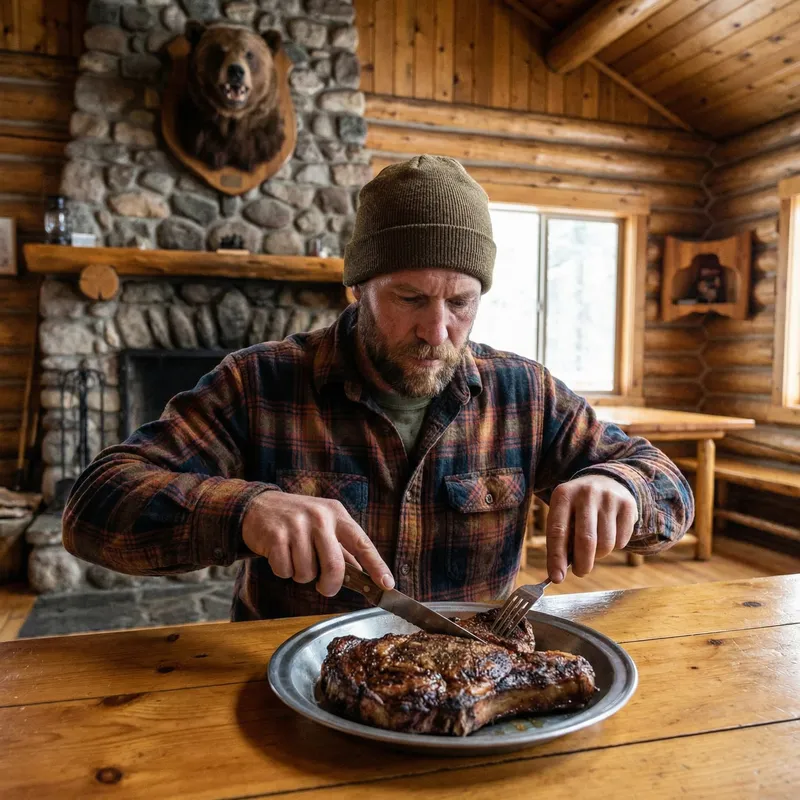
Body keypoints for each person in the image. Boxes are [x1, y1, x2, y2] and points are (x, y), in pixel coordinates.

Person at [63, 155, 694, 621]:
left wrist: (623, 487)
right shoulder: (260, 382)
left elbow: (669, 487)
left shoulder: (524, 394)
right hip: (291, 684)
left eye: (462, 303)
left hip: (473, 679)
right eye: (410, 298)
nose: (437, 330)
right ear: (358, 287)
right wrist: (245, 511)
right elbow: (93, 508)